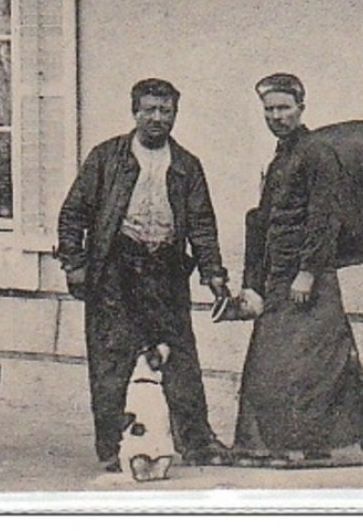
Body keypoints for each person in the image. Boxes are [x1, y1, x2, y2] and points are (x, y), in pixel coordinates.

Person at [56, 77, 231, 472]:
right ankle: (113, 446)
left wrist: (213, 272)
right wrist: (75, 262)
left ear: (175, 114)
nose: (156, 118)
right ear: (134, 111)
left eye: (164, 111)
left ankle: (198, 443)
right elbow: (74, 213)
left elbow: (202, 223)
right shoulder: (106, 157)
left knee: (180, 359)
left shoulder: (187, 165)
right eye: (149, 110)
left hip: (166, 270)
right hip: (115, 270)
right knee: (112, 361)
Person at [231, 73, 363, 467]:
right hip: (279, 277)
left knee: (329, 361)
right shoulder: (282, 156)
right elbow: (264, 221)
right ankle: (280, 446)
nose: (276, 116)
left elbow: (325, 218)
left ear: (301, 109)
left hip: (310, 278)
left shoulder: (318, 152)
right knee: (272, 362)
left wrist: (308, 272)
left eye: (283, 108)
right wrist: (252, 283)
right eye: (269, 109)